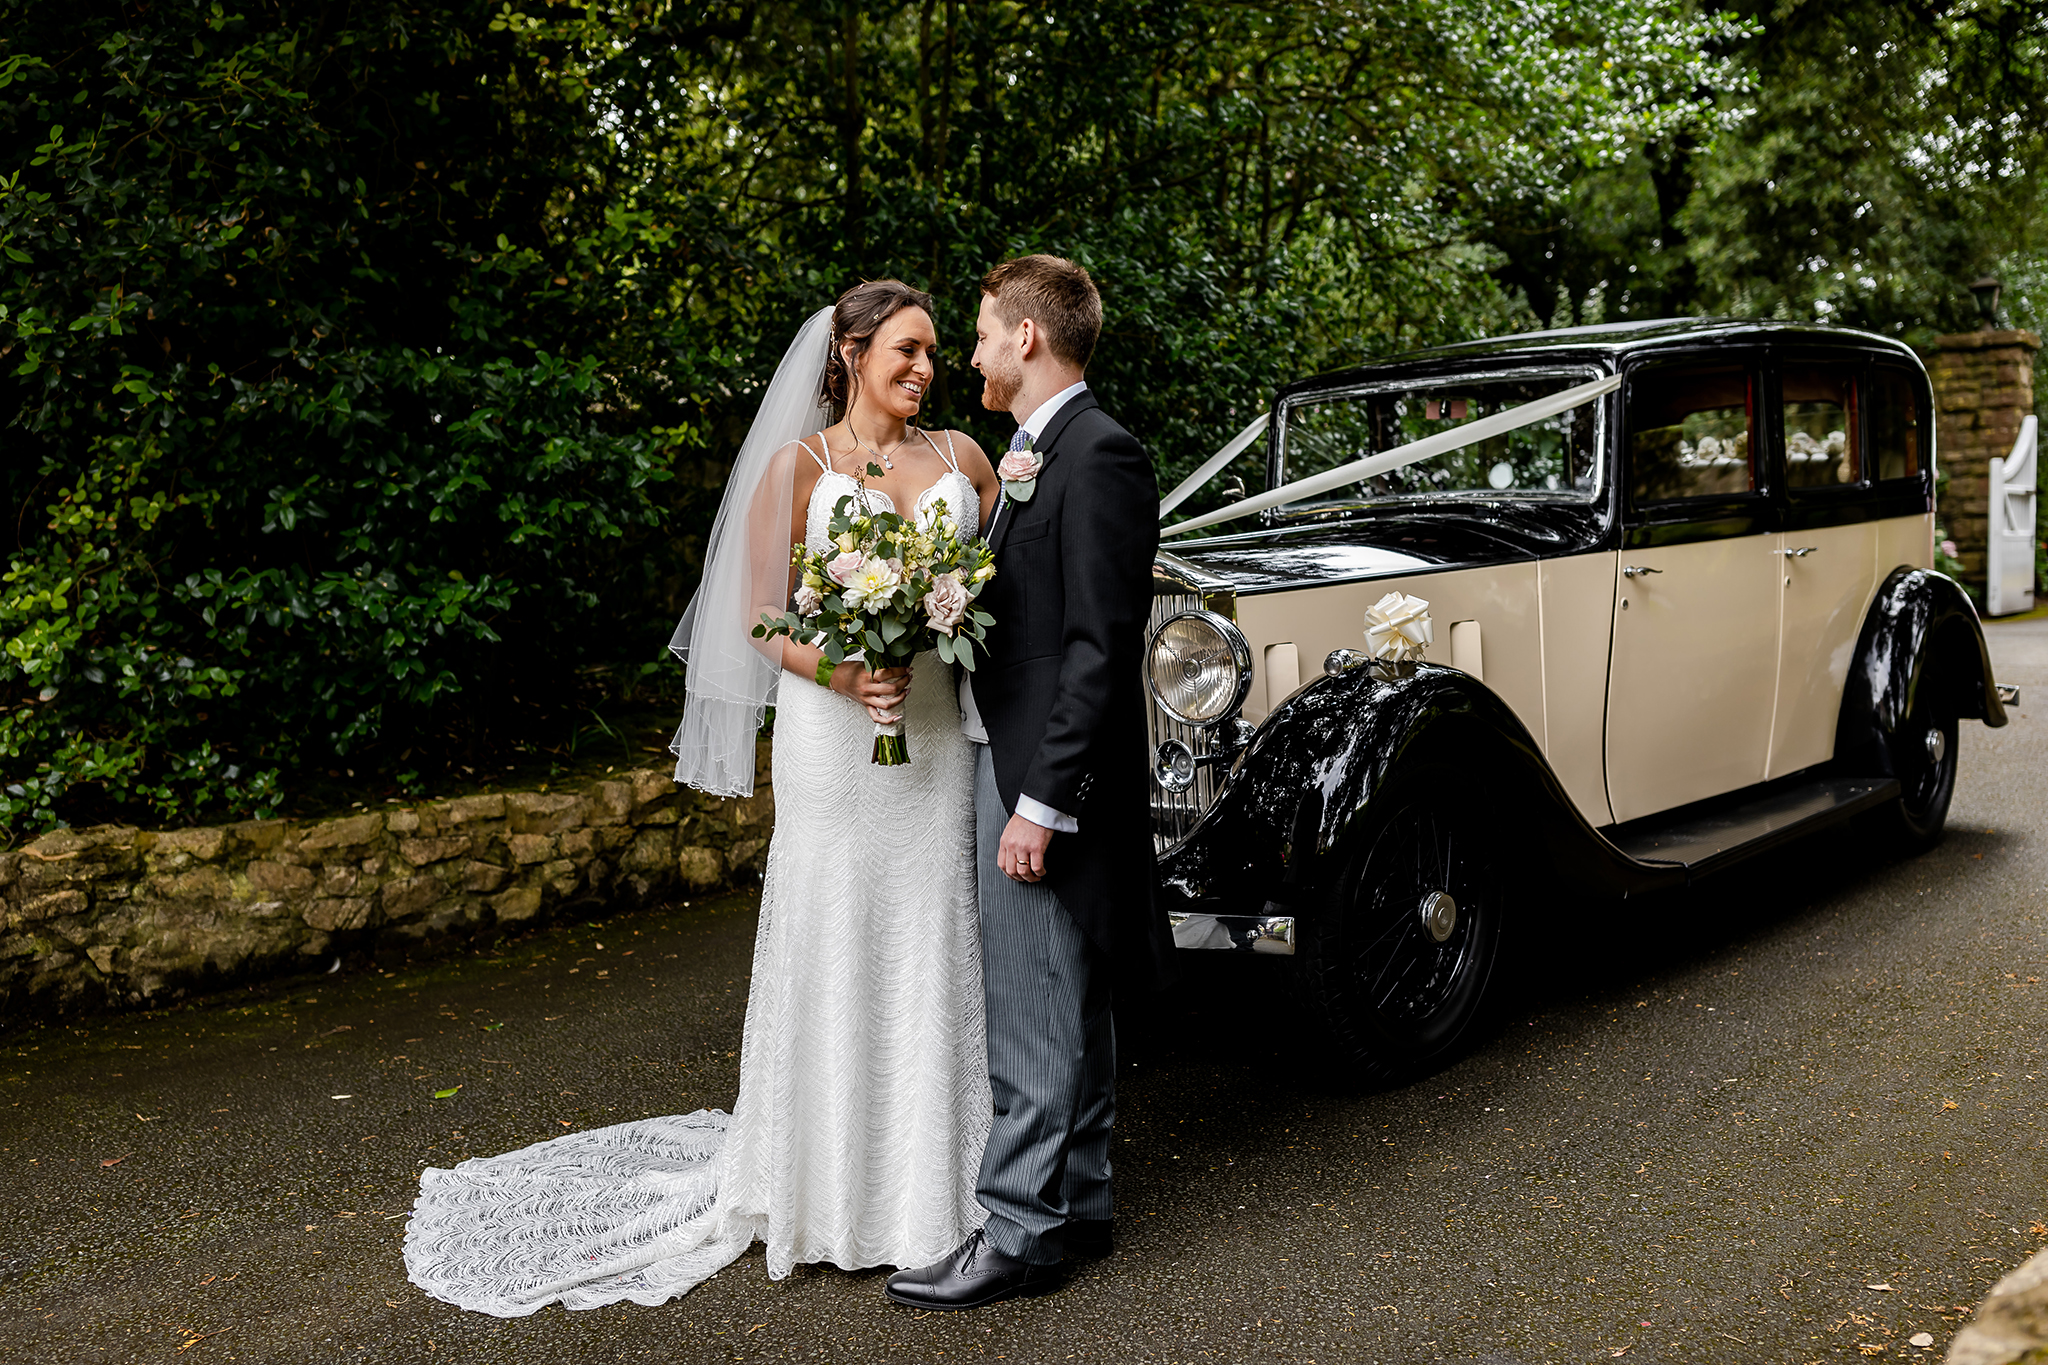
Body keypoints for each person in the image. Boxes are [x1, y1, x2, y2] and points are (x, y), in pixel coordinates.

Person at [401, 280, 1003, 1316]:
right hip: (833, 737)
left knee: (929, 932)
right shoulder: (796, 468)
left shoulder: (965, 461)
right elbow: (759, 620)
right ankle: (819, 1189)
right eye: (904, 349)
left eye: (935, 353)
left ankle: (932, 1190)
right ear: (850, 353)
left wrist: (932, 635)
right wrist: (845, 673)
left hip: (934, 737)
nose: (923, 369)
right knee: (830, 931)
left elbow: (1003, 586)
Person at [885, 255, 1172, 1311]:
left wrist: (1039, 805)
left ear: (1025, 339)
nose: (968, 354)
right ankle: (1077, 1204)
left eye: (978, 333)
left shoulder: (1096, 455)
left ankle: (1013, 1230)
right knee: (1066, 987)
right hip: (1017, 757)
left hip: (1043, 777)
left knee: (1029, 1001)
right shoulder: (1032, 454)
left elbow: (1100, 646)